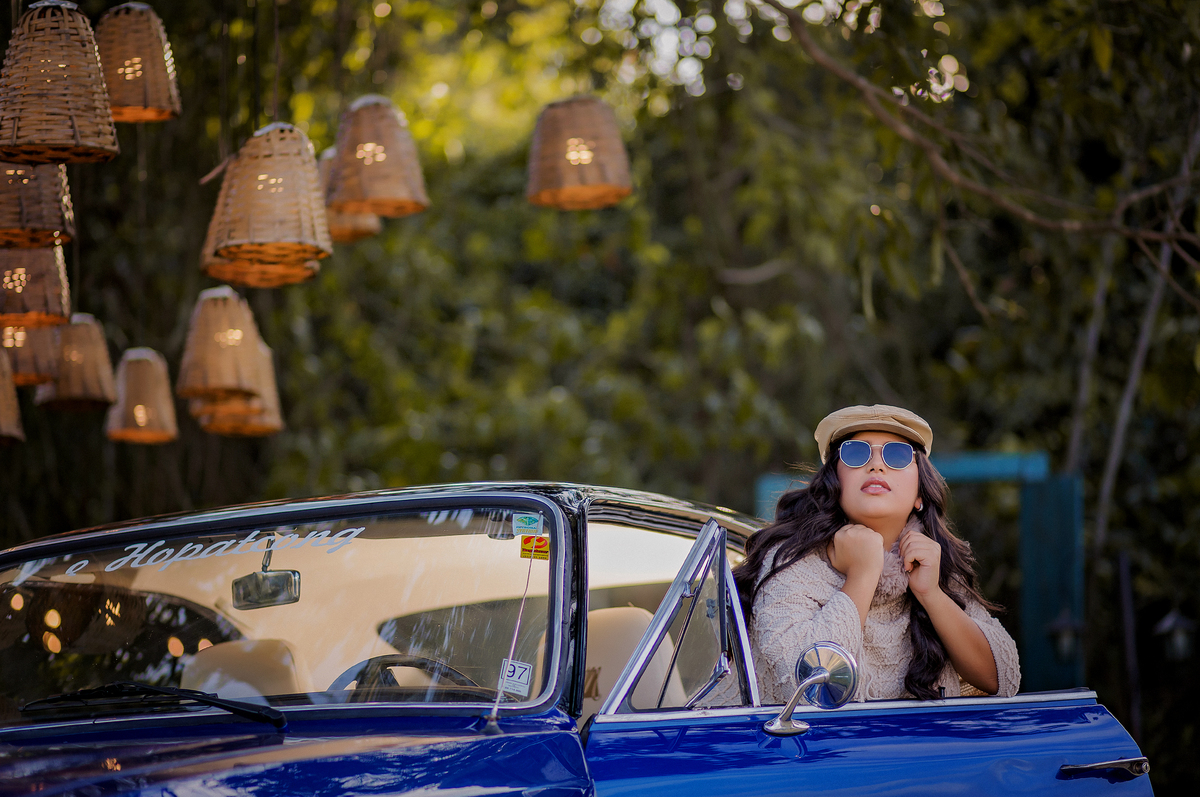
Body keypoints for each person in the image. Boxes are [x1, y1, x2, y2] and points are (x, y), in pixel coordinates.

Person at [732, 405, 1020, 703]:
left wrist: (931, 594)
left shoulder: (934, 565)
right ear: (834, 483)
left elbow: (1004, 680)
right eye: (856, 453)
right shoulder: (789, 560)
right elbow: (806, 692)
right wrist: (863, 574)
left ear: (920, 493)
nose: (877, 465)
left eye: (897, 455)